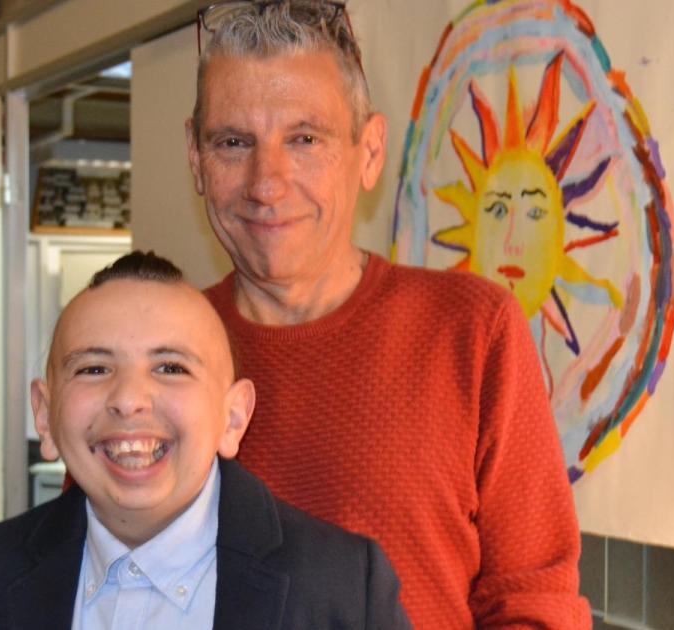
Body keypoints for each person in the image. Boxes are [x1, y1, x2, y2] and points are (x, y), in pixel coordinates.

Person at [185, 2, 591, 628]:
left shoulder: (473, 331)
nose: (267, 183)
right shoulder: (156, 354)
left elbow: (535, 602)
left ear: (370, 151)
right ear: (196, 158)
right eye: (234, 143)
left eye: (305, 139)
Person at [0, 250, 410, 630]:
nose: (128, 400)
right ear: (45, 415)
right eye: (94, 368)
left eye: (170, 367)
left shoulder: (342, 587)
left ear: (233, 417)